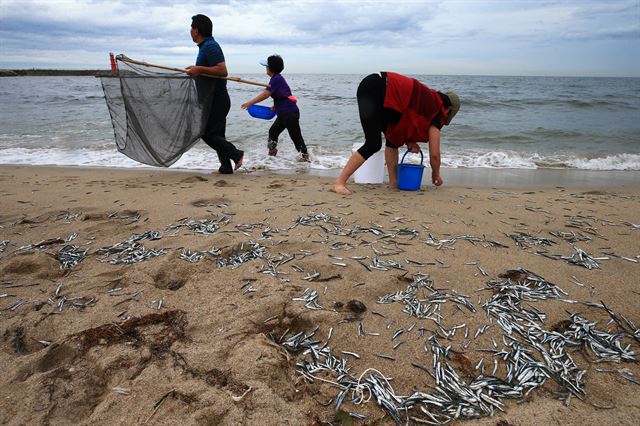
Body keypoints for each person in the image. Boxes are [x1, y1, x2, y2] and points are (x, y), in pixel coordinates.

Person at [332, 72, 460, 195]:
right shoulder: (437, 112)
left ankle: (393, 183)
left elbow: (405, 120)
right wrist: (435, 174)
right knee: (373, 143)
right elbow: (435, 155)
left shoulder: (428, 101)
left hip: (375, 86)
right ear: (449, 110)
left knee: (392, 141)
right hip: (376, 88)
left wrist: (409, 141)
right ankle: (339, 183)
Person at [186, 14, 244, 174]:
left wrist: (199, 69)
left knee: (205, 132)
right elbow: (209, 70)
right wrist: (197, 69)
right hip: (213, 99)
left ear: (196, 30)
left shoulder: (210, 46)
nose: (190, 31)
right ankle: (226, 167)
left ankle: (236, 153)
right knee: (217, 134)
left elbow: (222, 70)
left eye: (191, 28)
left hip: (216, 99)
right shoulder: (205, 46)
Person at [241, 55, 309, 162]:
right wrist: (275, 105)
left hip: (289, 113)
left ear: (270, 68)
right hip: (284, 113)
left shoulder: (276, 79)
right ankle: (272, 156)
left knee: (296, 137)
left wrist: (250, 103)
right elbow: (283, 93)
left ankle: (306, 159)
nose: (266, 68)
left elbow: (265, 94)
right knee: (273, 132)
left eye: (266, 66)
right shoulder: (276, 78)